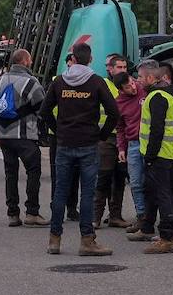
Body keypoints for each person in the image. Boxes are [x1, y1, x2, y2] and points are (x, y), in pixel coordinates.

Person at [40, 42, 120, 256]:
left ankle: (54, 240)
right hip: (88, 144)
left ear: (72, 59)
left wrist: (57, 130)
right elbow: (114, 112)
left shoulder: (58, 82)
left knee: (60, 192)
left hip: (65, 143)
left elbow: (44, 111)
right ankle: (87, 240)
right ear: (90, 59)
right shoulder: (96, 82)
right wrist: (101, 135)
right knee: (87, 193)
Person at [127, 60, 173, 252]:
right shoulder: (170, 93)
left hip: (160, 154)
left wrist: (150, 155)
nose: (138, 81)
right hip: (169, 153)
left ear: (151, 78)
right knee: (155, 192)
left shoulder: (157, 97)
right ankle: (151, 228)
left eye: (141, 77)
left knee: (163, 194)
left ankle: (168, 237)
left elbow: (157, 129)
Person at [0, 48, 47, 227]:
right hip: (25, 135)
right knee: (33, 171)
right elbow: (41, 107)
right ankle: (32, 212)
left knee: (10, 173)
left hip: (5, 135)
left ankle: (13, 213)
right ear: (25, 62)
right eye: (29, 60)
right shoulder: (31, 82)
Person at [93, 54, 130, 228]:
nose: (123, 70)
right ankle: (96, 216)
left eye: (124, 67)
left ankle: (115, 215)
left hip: (124, 138)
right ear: (111, 68)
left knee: (120, 177)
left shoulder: (128, 84)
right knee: (103, 176)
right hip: (106, 137)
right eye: (119, 67)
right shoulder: (102, 84)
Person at [46, 52, 82, 221]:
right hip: (58, 136)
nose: (71, 69)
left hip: (76, 135)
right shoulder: (57, 82)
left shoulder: (84, 83)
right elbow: (45, 110)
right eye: (68, 65)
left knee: (75, 174)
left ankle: (72, 207)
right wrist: (56, 129)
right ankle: (56, 205)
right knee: (58, 173)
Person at [113, 61, 147, 233]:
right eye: (128, 87)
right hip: (133, 144)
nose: (133, 87)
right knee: (135, 182)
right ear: (120, 89)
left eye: (133, 82)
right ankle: (141, 215)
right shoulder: (118, 103)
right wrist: (121, 148)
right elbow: (120, 128)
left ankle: (151, 216)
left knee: (151, 181)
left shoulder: (144, 90)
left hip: (148, 142)